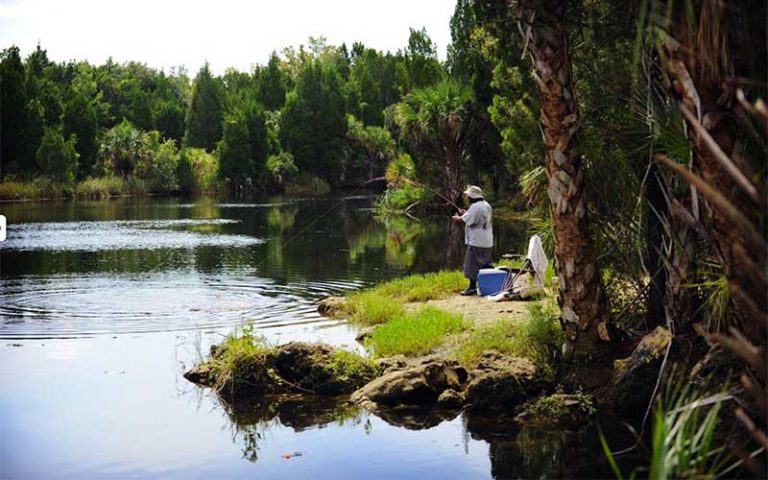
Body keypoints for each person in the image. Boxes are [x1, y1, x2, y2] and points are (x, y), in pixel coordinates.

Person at [452, 185, 494, 296]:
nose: (467, 198)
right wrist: (465, 213)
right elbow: (473, 216)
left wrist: (458, 218)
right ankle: (490, 286)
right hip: (488, 241)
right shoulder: (487, 205)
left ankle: (471, 288)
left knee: (471, 265)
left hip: (477, 241)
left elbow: (468, 220)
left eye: (468, 196)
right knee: (486, 265)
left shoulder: (475, 207)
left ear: (472, 196)